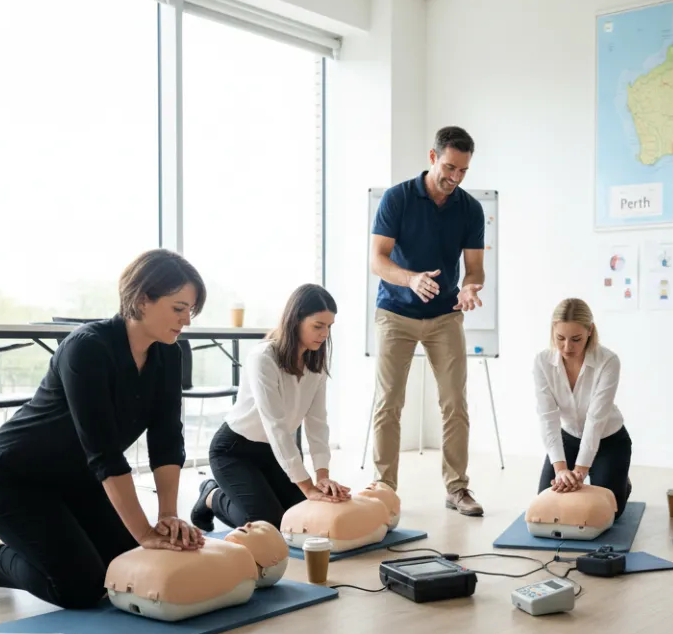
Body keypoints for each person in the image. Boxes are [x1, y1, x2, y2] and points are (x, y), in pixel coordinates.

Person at [0, 250, 208, 609]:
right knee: (80, 588)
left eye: (191, 311)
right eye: (178, 308)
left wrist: (166, 516)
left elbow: (167, 438)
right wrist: (143, 533)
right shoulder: (87, 348)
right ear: (142, 299)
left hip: (78, 482)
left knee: (124, 568)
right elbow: (105, 454)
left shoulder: (170, 353)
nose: (186, 321)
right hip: (13, 479)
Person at [370, 126, 486, 516]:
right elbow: (377, 260)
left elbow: (474, 269)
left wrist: (470, 288)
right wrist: (411, 278)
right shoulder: (397, 198)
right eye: (450, 167)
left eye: (463, 171)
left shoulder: (470, 208)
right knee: (389, 403)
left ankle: (457, 489)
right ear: (433, 157)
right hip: (395, 313)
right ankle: (385, 489)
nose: (455, 178)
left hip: (445, 317)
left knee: (455, 403)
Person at [190, 285, 349, 532]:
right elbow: (275, 426)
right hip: (234, 451)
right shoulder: (264, 358)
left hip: (274, 454)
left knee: (298, 517)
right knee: (268, 524)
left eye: (329, 327)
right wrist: (307, 487)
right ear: (295, 320)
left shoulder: (315, 363)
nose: (324, 334)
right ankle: (211, 496)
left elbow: (317, 422)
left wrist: (322, 477)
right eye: (318, 325)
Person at [532, 299, 633, 518]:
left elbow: (595, 420)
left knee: (609, 514)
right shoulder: (542, 362)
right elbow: (548, 418)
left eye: (576, 339)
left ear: (590, 331)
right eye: (560, 338)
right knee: (547, 505)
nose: (567, 347)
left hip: (609, 441)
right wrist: (561, 470)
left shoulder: (608, 361)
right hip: (569, 439)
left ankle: (621, 483)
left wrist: (578, 473)